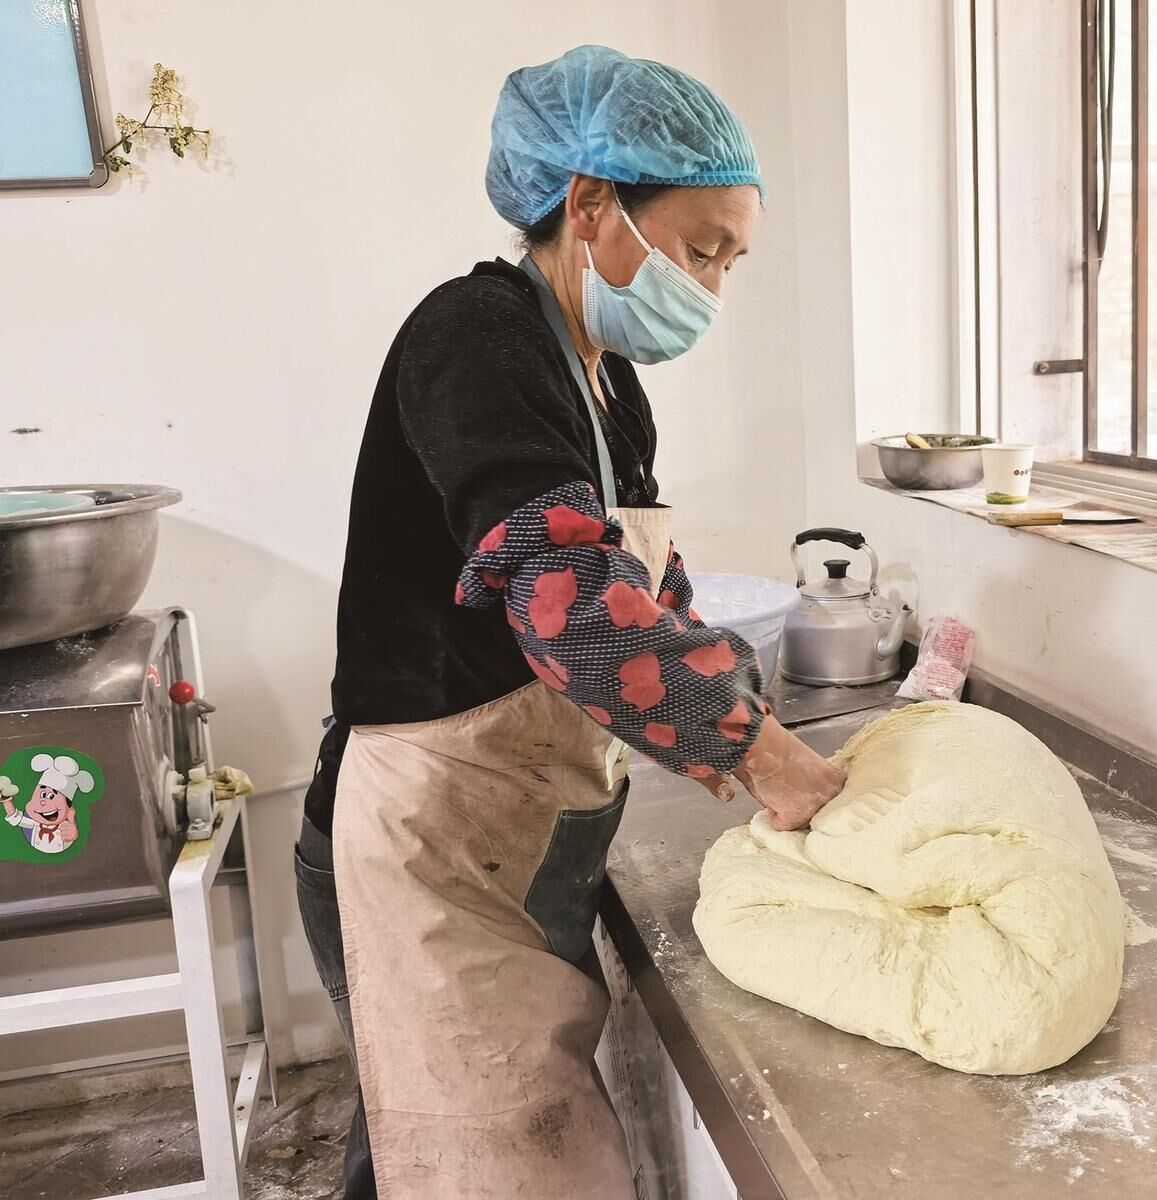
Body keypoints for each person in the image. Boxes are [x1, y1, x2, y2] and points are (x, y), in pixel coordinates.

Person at [293, 45, 845, 1199]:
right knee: (462, 1149)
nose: (712, 289)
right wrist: (760, 752)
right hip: (428, 835)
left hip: (519, 836)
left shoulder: (603, 381)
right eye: (700, 251)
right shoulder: (477, 337)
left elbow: (648, 582)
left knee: (435, 1138)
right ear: (591, 202)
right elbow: (567, 597)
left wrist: (730, 712)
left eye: (731, 263)